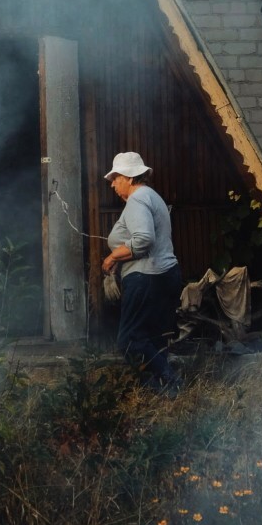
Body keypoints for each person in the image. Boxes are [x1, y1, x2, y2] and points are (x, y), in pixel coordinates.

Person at [101, 151, 182, 395]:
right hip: (163, 274)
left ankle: (169, 380)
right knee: (154, 337)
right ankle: (161, 392)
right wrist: (122, 257)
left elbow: (144, 239)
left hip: (146, 277)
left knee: (130, 340)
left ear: (128, 177)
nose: (113, 184)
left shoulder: (137, 199)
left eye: (115, 178)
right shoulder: (151, 197)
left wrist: (113, 256)